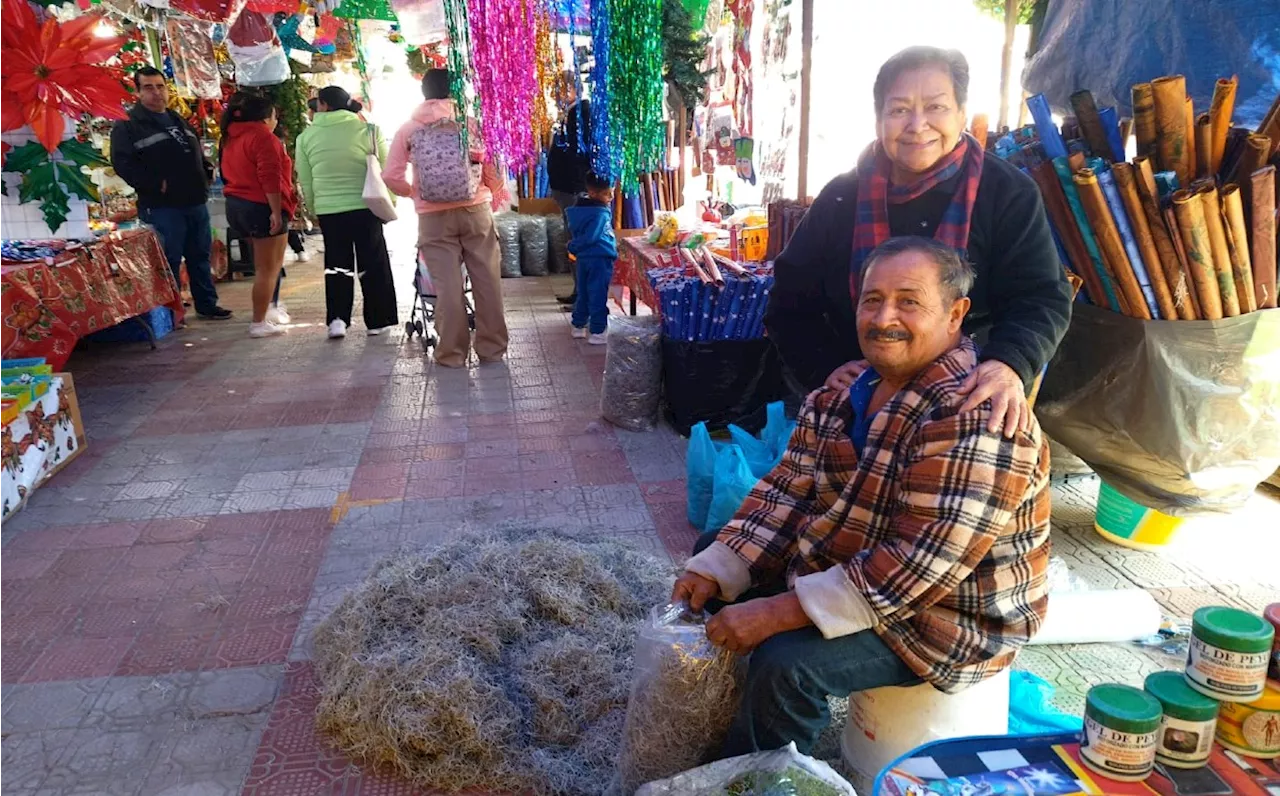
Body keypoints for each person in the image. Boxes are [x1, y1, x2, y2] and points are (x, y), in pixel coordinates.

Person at [674, 236, 1051, 759]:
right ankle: (719, 709)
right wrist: (718, 566)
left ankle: (760, 776)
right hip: (864, 564)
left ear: (955, 314)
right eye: (872, 300)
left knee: (786, 661)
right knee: (716, 551)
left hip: (950, 615)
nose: (884, 317)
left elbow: (920, 566)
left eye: (909, 301)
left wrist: (776, 613)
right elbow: (788, 489)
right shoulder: (842, 393)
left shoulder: (975, 415)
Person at [764, 46, 1072, 439]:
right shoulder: (842, 196)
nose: (917, 125)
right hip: (856, 393)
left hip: (967, 391)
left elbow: (1042, 296)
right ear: (878, 120)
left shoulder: (1007, 193)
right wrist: (824, 367)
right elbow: (789, 300)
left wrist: (1008, 364)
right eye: (899, 110)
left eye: (936, 107)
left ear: (962, 114)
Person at [383, 69, 509, 368]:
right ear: (456, 91)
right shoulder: (471, 124)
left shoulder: (409, 129)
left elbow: (390, 175)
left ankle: (451, 353)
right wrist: (490, 191)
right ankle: (492, 349)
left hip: (432, 217)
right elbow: (494, 168)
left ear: (424, 92)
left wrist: (415, 192)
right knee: (487, 280)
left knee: (447, 286)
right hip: (475, 210)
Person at [110, 67, 232, 321]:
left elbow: (194, 152)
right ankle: (171, 313)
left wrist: (207, 171)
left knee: (199, 256)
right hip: (162, 206)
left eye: (160, 86)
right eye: (148, 87)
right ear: (137, 91)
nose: (156, 93)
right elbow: (123, 164)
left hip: (195, 200)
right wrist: (156, 185)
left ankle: (207, 305)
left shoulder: (178, 119)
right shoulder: (128, 125)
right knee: (169, 260)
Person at [295, 85, 398, 340]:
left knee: (336, 264)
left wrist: (314, 208)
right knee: (373, 262)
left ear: (324, 105)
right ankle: (377, 320)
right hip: (366, 206)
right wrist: (390, 204)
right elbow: (386, 171)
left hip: (330, 210)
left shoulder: (306, 138)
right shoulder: (369, 131)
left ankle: (338, 320)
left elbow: (305, 181)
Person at [218, 93, 296, 338]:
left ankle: (265, 314)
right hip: (261, 205)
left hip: (238, 204)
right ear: (266, 117)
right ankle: (259, 321)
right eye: (274, 116)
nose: (275, 121)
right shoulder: (263, 137)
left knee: (264, 266)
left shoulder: (231, 136)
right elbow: (269, 176)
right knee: (268, 268)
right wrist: (275, 210)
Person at [547, 71, 593, 308]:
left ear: (573, 90)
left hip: (574, 187)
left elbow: (579, 152)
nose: (555, 96)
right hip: (567, 187)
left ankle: (583, 295)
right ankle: (578, 291)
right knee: (573, 242)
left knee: (578, 242)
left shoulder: (581, 114)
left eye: (559, 90)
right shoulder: (571, 114)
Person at [566, 173, 617, 345]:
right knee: (598, 294)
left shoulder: (579, 210)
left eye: (612, 192)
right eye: (607, 193)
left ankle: (578, 325)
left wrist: (574, 247)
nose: (611, 197)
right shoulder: (600, 213)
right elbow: (592, 237)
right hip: (600, 258)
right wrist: (573, 246)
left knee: (584, 292)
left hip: (583, 259)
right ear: (594, 194)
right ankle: (597, 330)